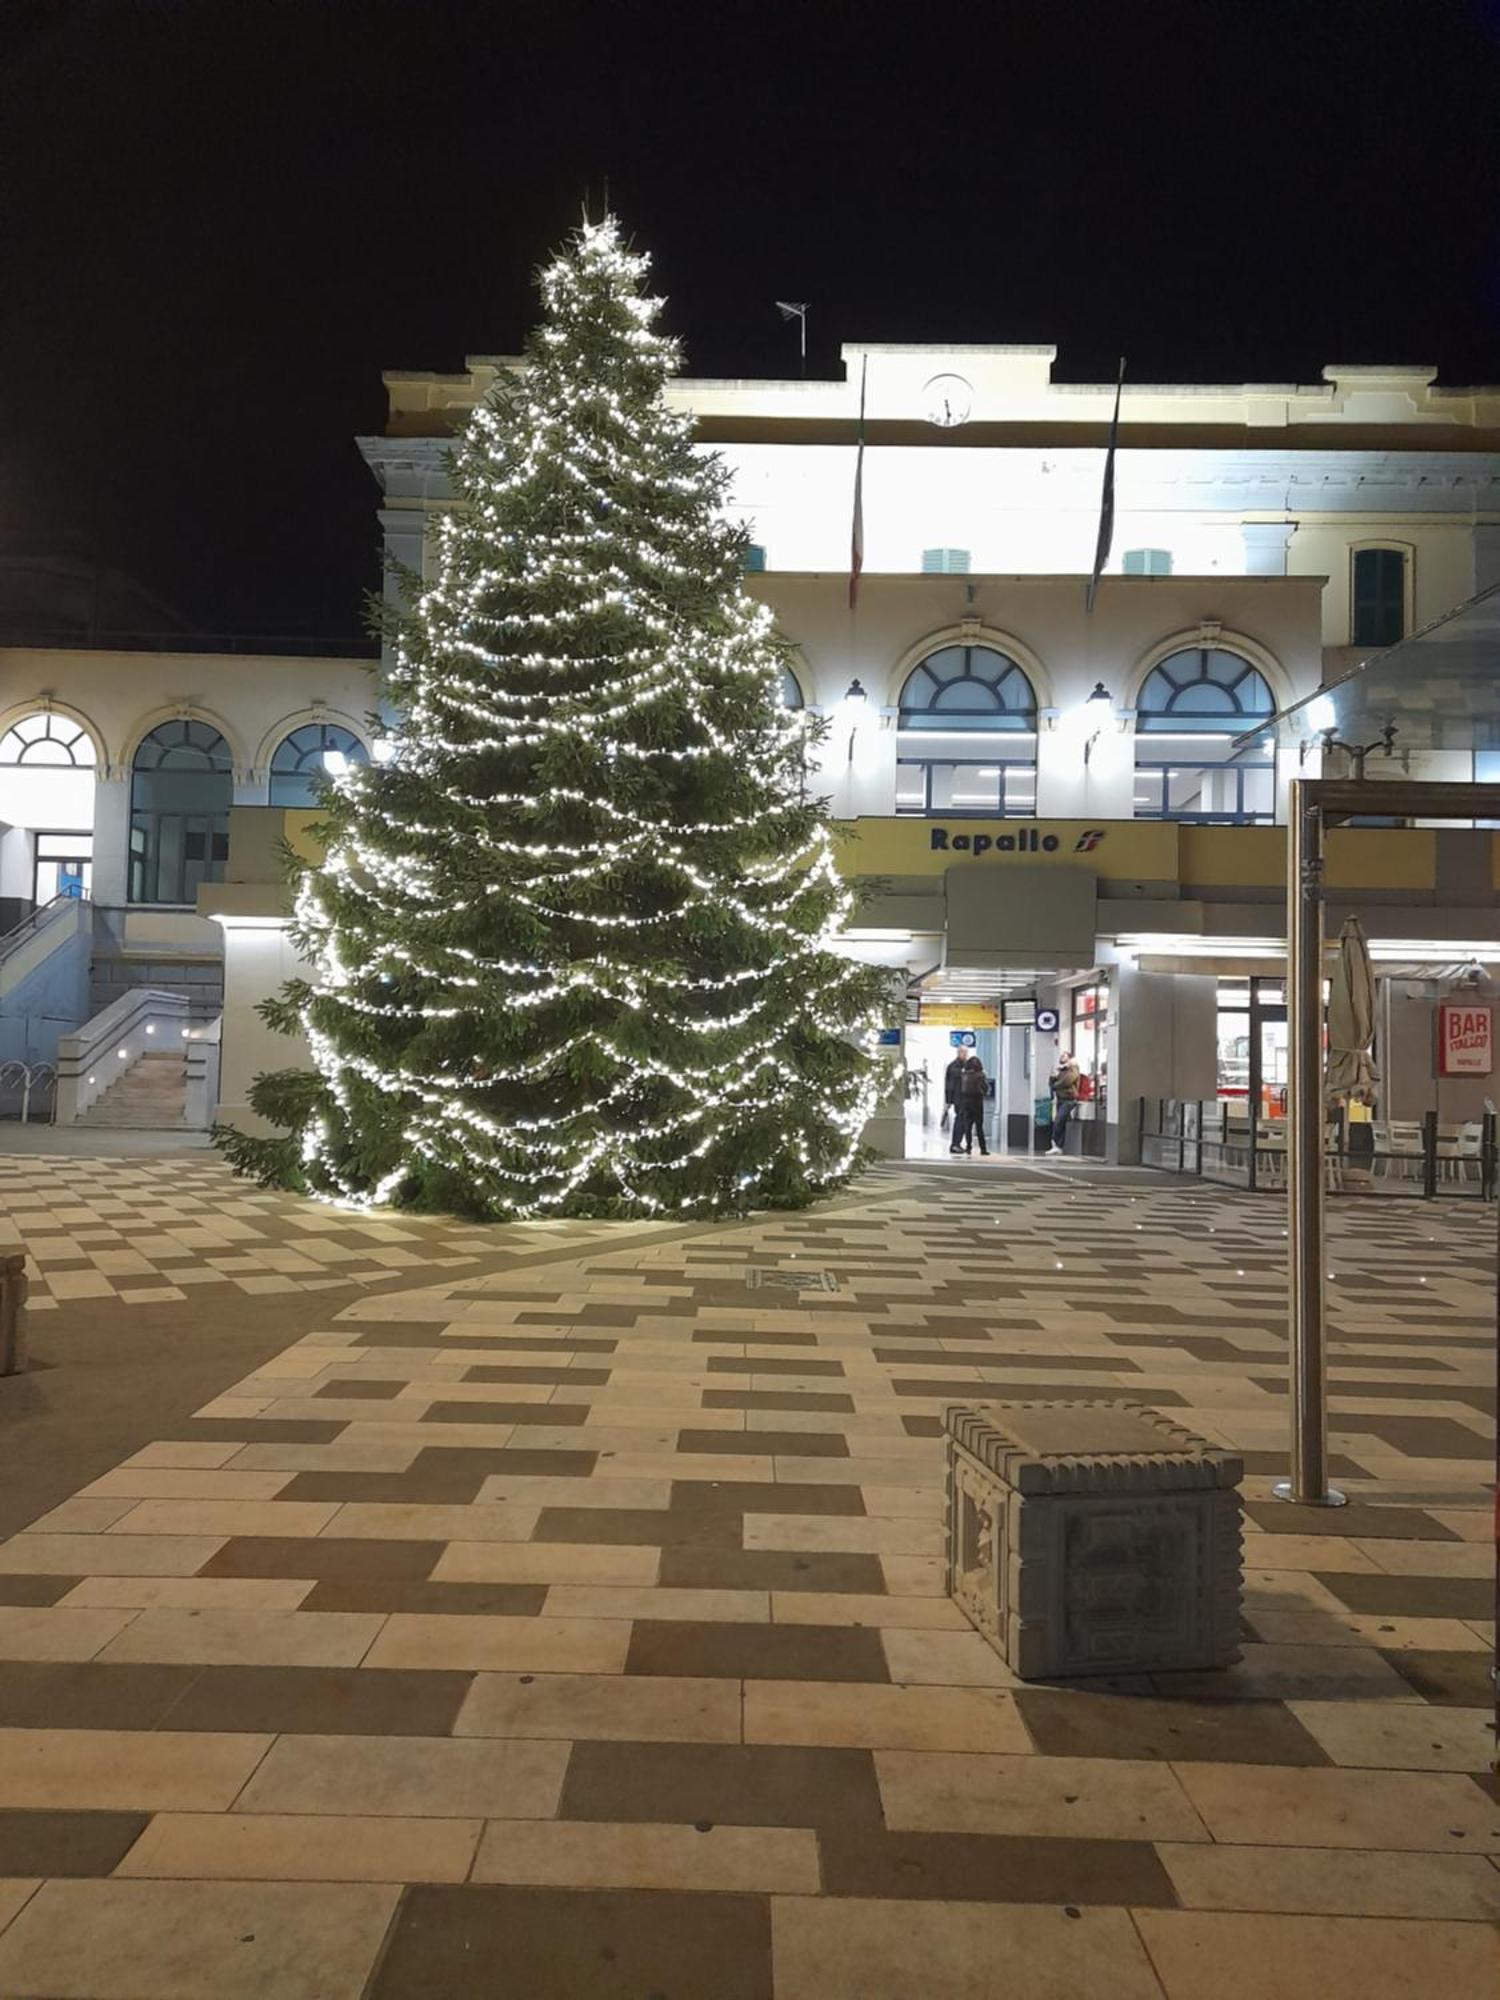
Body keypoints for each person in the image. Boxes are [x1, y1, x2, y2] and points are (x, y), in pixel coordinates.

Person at [953, 1053, 990, 1156]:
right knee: (979, 1127)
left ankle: (968, 1147)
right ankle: (983, 1149)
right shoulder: (981, 1075)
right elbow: (985, 1088)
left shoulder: (964, 1075)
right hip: (977, 1102)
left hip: (966, 1102)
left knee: (967, 1127)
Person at [1047, 1051, 1081, 1157]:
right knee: (1060, 1122)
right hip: (1060, 1099)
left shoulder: (1073, 1069)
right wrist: (1053, 1076)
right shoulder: (1061, 1070)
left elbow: (1066, 1082)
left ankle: (1056, 1144)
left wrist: (1055, 1085)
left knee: (1059, 1120)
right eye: (1061, 1055)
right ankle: (1057, 1146)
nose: (1061, 1057)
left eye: (1064, 1055)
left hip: (1069, 1099)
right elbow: (1051, 1083)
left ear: (1070, 1058)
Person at [942, 1050, 966, 1137]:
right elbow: (950, 1085)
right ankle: (956, 1143)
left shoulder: (965, 1065)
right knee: (960, 1120)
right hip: (958, 1098)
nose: (966, 1055)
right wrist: (948, 1100)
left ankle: (958, 1143)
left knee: (963, 1120)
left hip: (963, 1098)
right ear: (959, 1053)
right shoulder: (953, 1066)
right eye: (964, 1053)